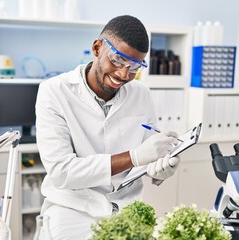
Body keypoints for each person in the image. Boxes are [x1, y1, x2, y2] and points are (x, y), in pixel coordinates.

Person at [35, 15, 180, 239]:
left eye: (134, 67)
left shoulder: (142, 94)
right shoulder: (54, 92)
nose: (123, 75)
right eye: (118, 60)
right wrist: (135, 156)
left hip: (126, 209)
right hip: (72, 208)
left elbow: (147, 151)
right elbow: (62, 172)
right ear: (97, 47)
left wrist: (162, 167)